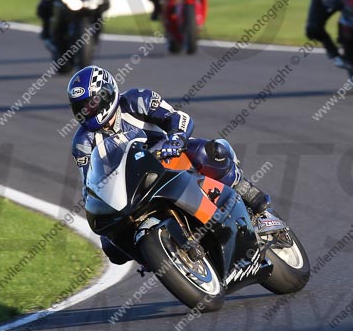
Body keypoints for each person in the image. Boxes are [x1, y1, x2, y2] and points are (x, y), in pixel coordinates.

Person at [68, 65, 270, 264]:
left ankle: (249, 197)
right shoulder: (82, 142)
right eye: (80, 107)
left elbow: (178, 118)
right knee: (110, 244)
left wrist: (175, 140)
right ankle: (158, 255)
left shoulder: (136, 100)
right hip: (134, 188)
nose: (87, 110)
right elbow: (90, 186)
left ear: (107, 92)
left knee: (208, 152)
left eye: (91, 103)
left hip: (169, 159)